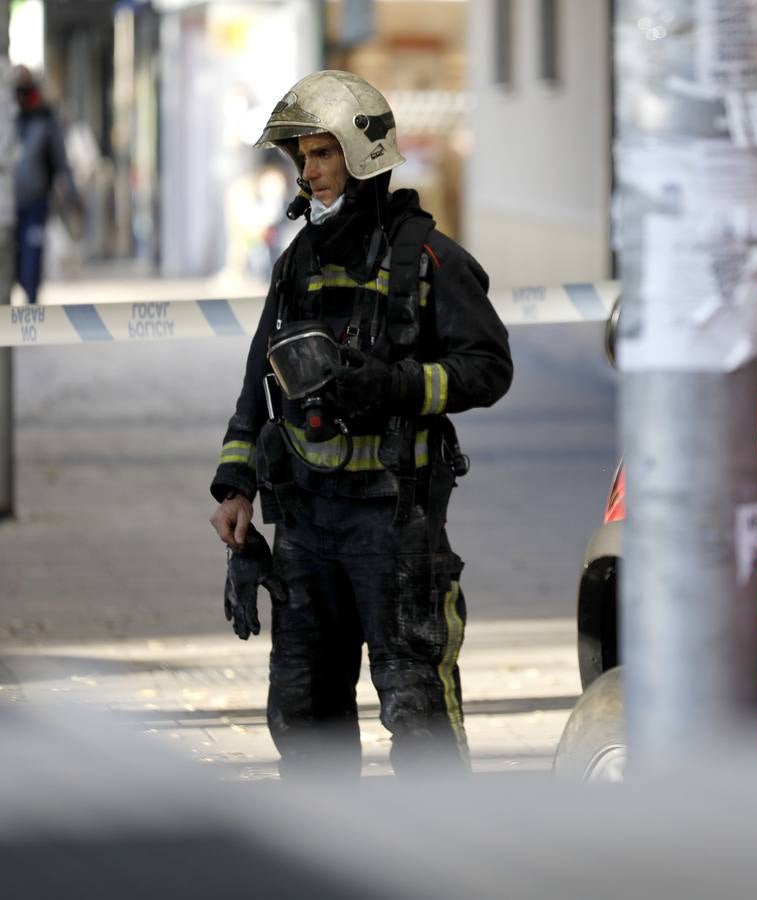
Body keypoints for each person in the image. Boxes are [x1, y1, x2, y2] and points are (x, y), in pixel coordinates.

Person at [209, 71, 513, 778]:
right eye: (303, 156)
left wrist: (396, 385)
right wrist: (235, 484)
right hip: (306, 528)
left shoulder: (429, 261)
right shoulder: (295, 267)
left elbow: (488, 368)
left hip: (394, 523)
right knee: (304, 714)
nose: (310, 172)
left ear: (363, 154)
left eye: (323, 153)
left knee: (419, 717)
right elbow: (258, 386)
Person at [13, 66, 76, 305]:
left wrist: (71, 195)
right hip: (9, 205)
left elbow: (60, 160)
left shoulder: (46, 120)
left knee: (32, 254)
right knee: (15, 258)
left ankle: (31, 298)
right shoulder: (8, 116)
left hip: (36, 202)